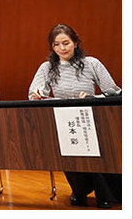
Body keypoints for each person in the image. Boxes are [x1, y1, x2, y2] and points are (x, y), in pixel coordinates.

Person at [28, 23, 121, 209]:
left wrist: (92, 98)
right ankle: (79, 191)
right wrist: (38, 95)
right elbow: (33, 94)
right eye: (56, 45)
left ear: (76, 43)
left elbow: (114, 92)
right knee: (69, 156)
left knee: (97, 155)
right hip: (64, 120)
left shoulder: (91, 63)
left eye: (66, 43)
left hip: (91, 119)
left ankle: (104, 194)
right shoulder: (47, 67)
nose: (62, 48)